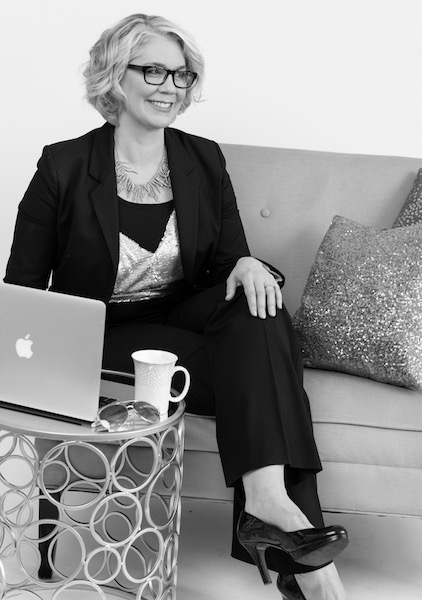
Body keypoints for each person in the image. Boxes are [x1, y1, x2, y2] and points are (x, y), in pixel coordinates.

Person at [4, 14, 349, 599]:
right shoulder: (63, 166)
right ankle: (308, 567)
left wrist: (246, 264)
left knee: (259, 308)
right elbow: (22, 290)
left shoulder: (203, 159)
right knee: (268, 365)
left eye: (182, 74)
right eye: (154, 70)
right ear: (115, 76)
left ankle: (268, 504)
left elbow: (226, 264)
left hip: (180, 322)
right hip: (106, 336)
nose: (171, 85)